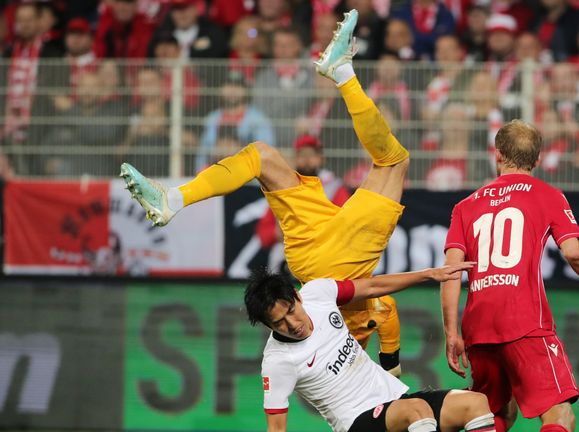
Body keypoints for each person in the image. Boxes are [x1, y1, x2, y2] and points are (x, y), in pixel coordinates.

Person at [120, 10, 407, 373]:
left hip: (328, 265)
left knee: (393, 161)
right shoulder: (348, 338)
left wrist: (391, 366)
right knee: (261, 156)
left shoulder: (345, 332)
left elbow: (386, 309)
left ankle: (342, 72)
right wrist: (391, 369)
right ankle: (172, 199)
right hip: (311, 257)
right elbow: (385, 317)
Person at [440, 120, 579, 432]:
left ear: (497, 155)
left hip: (478, 328)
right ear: (538, 159)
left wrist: (451, 333)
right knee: (560, 416)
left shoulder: (465, 206)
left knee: (496, 413)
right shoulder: (548, 195)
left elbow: (450, 273)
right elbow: (575, 253)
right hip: (524, 321)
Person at [249, 264, 498, 432]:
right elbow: (276, 427)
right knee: (418, 412)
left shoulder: (318, 293)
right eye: (278, 322)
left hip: (396, 402)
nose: (291, 324)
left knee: (475, 403)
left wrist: (431, 274)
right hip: (358, 421)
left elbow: (372, 287)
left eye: (291, 311)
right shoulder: (277, 362)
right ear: (266, 325)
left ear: (297, 296)